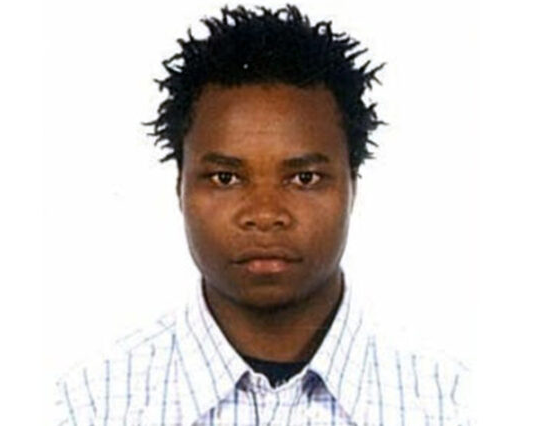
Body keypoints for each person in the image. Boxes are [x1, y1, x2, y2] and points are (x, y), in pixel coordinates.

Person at [55, 5, 470, 425]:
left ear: (352, 185)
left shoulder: (454, 406)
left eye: (304, 178)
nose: (265, 214)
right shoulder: (86, 407)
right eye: (225, 178)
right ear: (179, 186)